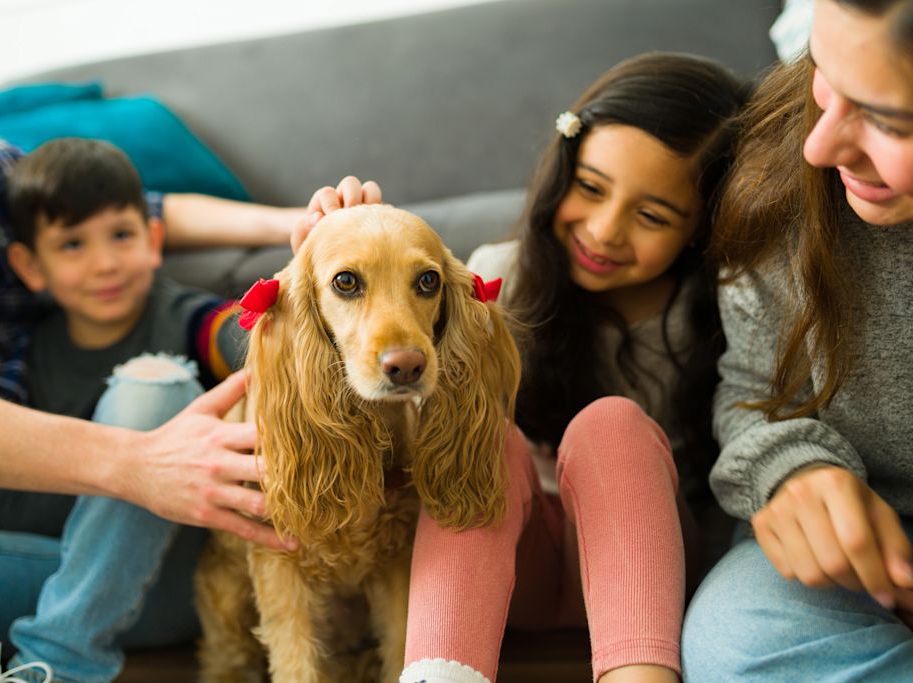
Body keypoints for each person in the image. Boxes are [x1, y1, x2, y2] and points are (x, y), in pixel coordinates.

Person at [0, 0, 302, 679]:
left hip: (97, 555)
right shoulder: (45, 346)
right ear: (32, 264)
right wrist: (134, 462)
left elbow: (151, 213)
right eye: (74, 247)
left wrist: (300, 226)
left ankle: (58, 663)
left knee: (154, 382)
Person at [380, 52, 746, 683]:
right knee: (481, 435)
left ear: (697, 229)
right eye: (592, 189)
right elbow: (418, 421)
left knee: (610, 425)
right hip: (515, 565)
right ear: (562, 171)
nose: (604, 231)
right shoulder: (495, 277)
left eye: (652, 215)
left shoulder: (711, 311)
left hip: (646, 572)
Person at [681, 0, 913, 679]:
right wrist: (792, 467)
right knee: (736, 639)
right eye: (825, 75)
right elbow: (755, 390)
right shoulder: (783, 177)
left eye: (889, 119)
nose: (820, 145)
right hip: (867, 537)